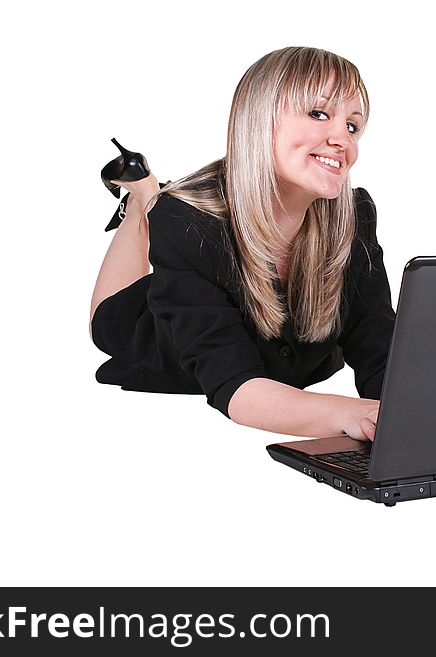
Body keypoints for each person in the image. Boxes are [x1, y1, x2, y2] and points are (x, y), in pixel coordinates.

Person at [89, 47, 395, 441]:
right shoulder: (185, 223)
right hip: (156, 335)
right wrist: (355, 414)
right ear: (260, 122)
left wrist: (416, 409)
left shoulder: (355, 216)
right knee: (107, 322)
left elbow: (378, 344)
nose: (342, 140)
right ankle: (140, 196)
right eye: (319, 114)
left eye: (353, 126)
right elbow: (237, 389)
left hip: (281, 361)